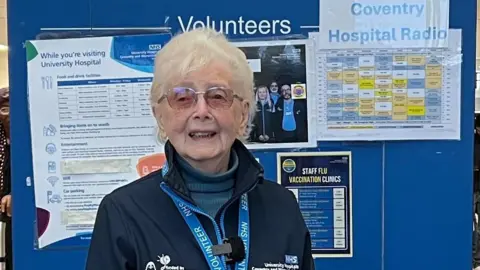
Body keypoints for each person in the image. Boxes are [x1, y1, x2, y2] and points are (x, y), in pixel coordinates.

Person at [86, 28, 314, 270]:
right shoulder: (123, 212)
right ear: (160, 116)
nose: (202, 111)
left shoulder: (282, 207)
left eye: (217, 96)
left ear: (243, 114)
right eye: (183, 98)